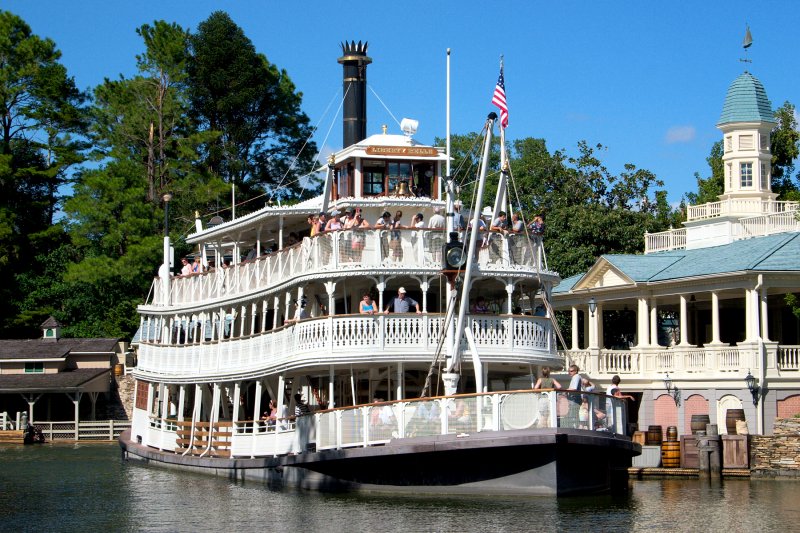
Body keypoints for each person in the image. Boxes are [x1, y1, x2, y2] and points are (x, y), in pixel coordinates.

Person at [567, 364, 582, 428]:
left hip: (574, 399)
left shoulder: (576, 376)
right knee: (574, 415)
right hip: (573, 399)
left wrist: (565, 390)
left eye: (571, 371)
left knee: (573, 415)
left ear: (576, 371)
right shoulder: (575, 377)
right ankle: (576, 428)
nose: (569, 373)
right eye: (569, 371)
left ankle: (575, 428)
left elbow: (574, 388)